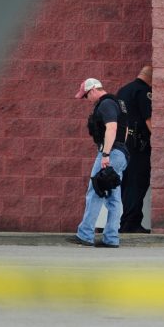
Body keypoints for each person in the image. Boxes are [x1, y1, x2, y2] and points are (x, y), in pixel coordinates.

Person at [68, 78, 130, 248]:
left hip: (110, 154)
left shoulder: (106, 104)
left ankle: (85, 234)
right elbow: (125, 132)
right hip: (120, 154)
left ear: (93, 90)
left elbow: (112, 128)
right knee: (114, 197)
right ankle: (111, 238)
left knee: (95, 190)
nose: (87, 99)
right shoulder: (118, 103)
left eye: (86, 96)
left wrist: (106, 154)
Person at [116, 66, 153, 234]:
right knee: (138, 184)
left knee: (127, 183)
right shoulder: (144, 91)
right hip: (139, 146)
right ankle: (131, 223)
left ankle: (127, 221)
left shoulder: (123, 90)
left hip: (124, 145)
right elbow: (148, 120)